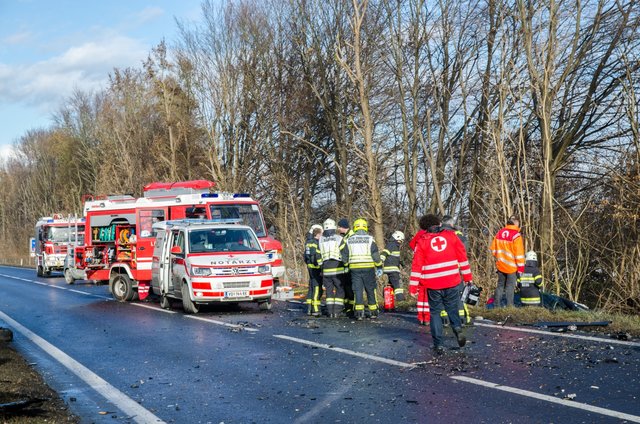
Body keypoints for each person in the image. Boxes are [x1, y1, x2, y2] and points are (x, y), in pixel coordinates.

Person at [410, 214, 473, 353]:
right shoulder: (451, 236)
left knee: (435, 313)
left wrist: (413, 286)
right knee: (452, 308)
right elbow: (462, 257)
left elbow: (417, 265)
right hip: (452, 280)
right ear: (439, 224)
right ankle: (457, 328)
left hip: (432, 283)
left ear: (424, 228)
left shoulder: (422, 241)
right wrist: (468, 277)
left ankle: (438, 344)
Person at [341, 218, 382, 320]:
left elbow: (344, 256)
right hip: (368, 268)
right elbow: (375, 255)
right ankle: (373, 312)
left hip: (354, 269)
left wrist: (346, 266)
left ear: (354, 227)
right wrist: (379, 266)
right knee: (370, 290)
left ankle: (359, 313)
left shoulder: (349, 240)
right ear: (365, 227)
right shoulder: (370, 239)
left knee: (358, 290)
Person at [440, 215, 470, 325]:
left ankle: (445, 319)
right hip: (455, 270)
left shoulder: (437, 235)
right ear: (452, 224)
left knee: (443, 295)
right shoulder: (459, 236)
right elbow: (463, 255)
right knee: (459, 294)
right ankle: (461, 319)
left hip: (440, 271)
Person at [490, 216, 525, 307]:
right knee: (510, 287)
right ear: (516, 224)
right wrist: (521, 268)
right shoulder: (516, 236)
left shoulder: (499, 233)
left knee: (500, 286)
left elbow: (493, 250)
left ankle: (496, 305)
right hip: (511, 267)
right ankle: (510, 306)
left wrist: (499, 258)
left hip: (501, 265)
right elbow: (519, 254)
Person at [318, 219, 346, 318]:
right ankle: (337, 312)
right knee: (340, 289)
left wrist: (321, 267)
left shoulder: (320, 239)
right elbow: (344, 253)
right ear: (334, 227)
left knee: (329, 291)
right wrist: (346, 265)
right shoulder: (339, 238)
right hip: (337, 268)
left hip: (326, 269)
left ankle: (330, 312)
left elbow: (318, 255)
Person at [409, 216, 432, 325]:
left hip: (419, 267)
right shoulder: (433, 235)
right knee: (428, 295)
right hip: (429, 267)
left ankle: (421, 317)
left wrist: (417, 252)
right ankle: (427, 318)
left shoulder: (420, 234)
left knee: (421, 294)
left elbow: (412, 244)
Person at [304, 224, 324, 316]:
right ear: (318, 234)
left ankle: (309, 308)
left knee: (311, 288)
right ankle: (315, 309)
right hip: (316, 268)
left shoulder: (308, 242)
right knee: (317, 288)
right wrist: (320, 266)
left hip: (310, 267)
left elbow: (305, 256)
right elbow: (315, 257)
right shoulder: (316, 243)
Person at [380, 231, 405, 301]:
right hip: (393, 269)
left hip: (389, 269)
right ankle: (400, 300)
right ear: (397, 238)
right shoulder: (392, 244)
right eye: (400, 240)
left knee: (390, 285)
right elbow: (384, 253)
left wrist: (401, 262)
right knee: (397, 285)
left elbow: (394, 257)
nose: (401, 242)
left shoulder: (394, 245)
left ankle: (387, 300)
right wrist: (380, 262)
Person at [337, 218, 355, 316]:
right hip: (346, 264)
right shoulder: (345, 236)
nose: (338, 229)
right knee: (346, 287)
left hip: (350, 264)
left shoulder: (350, 236)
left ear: (343, 227)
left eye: (339, 227)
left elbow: (346, 251)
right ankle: (348, 307)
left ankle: (351, 308)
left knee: (350, 288)